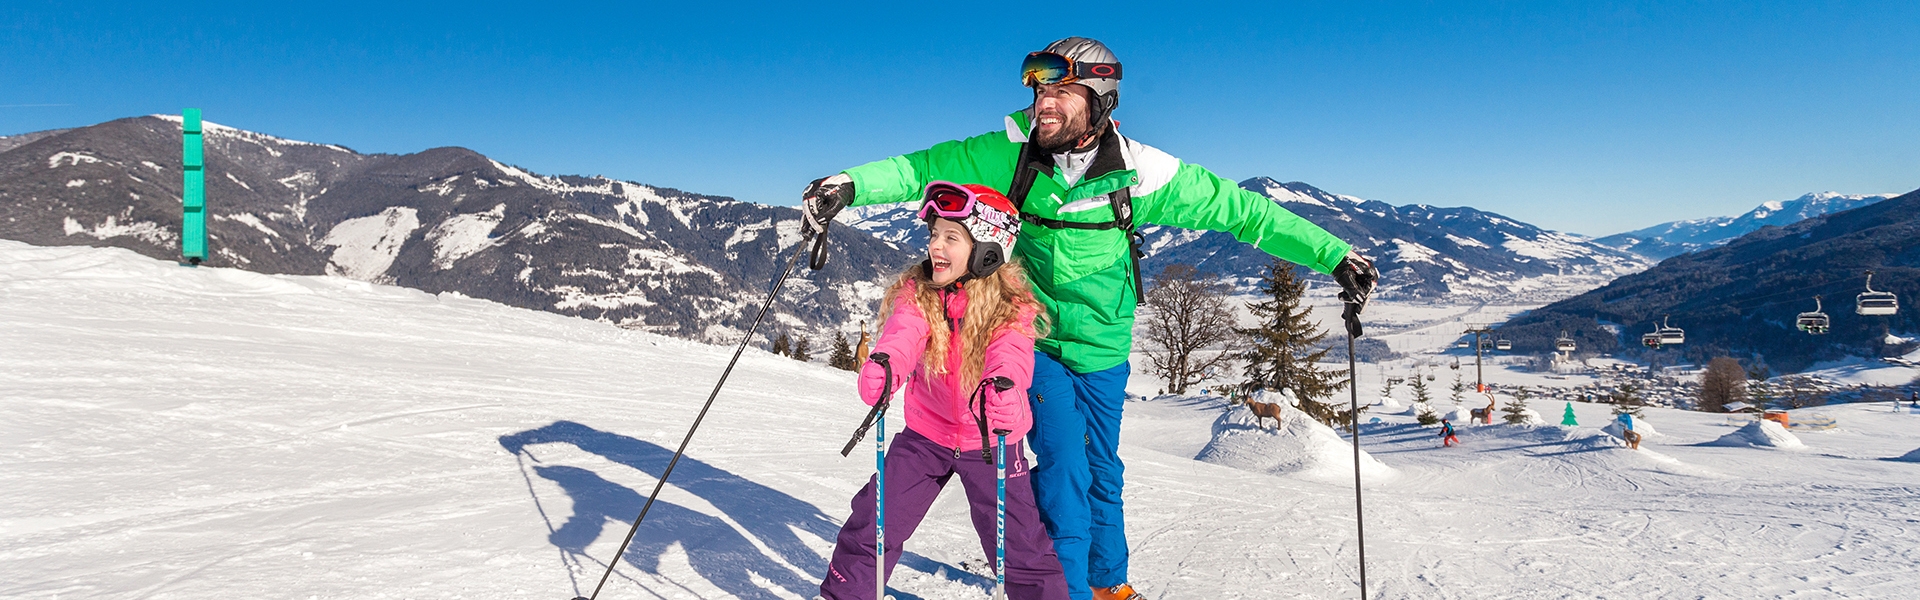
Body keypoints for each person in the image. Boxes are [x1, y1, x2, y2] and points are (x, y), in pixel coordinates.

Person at [802, 38, 1378, 600]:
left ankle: (1106, 581)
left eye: (1061, 91)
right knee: (1063, 468)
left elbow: (1242, 211)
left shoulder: (1139, 173)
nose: (1042, 104)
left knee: (1103, 468)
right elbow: (918, 168)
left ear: (1101, 98)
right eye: (1037, 91)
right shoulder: (1010, 153)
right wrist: (848, 185)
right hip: (1035, 339)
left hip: (1104, 346)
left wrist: (1332, 254)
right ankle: (1070, 588)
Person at [818, 182, 1068, 600]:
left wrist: (1003, 388)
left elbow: (1012, 353)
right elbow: (904, 333)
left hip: (990, 440)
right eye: (934, 234)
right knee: (875, 520)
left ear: (988, 249)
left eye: (951, 237)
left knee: (1020, 550)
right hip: (925, 437)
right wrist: (888, 364)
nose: (935, 245)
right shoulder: (918, 293)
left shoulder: (1011, 305)